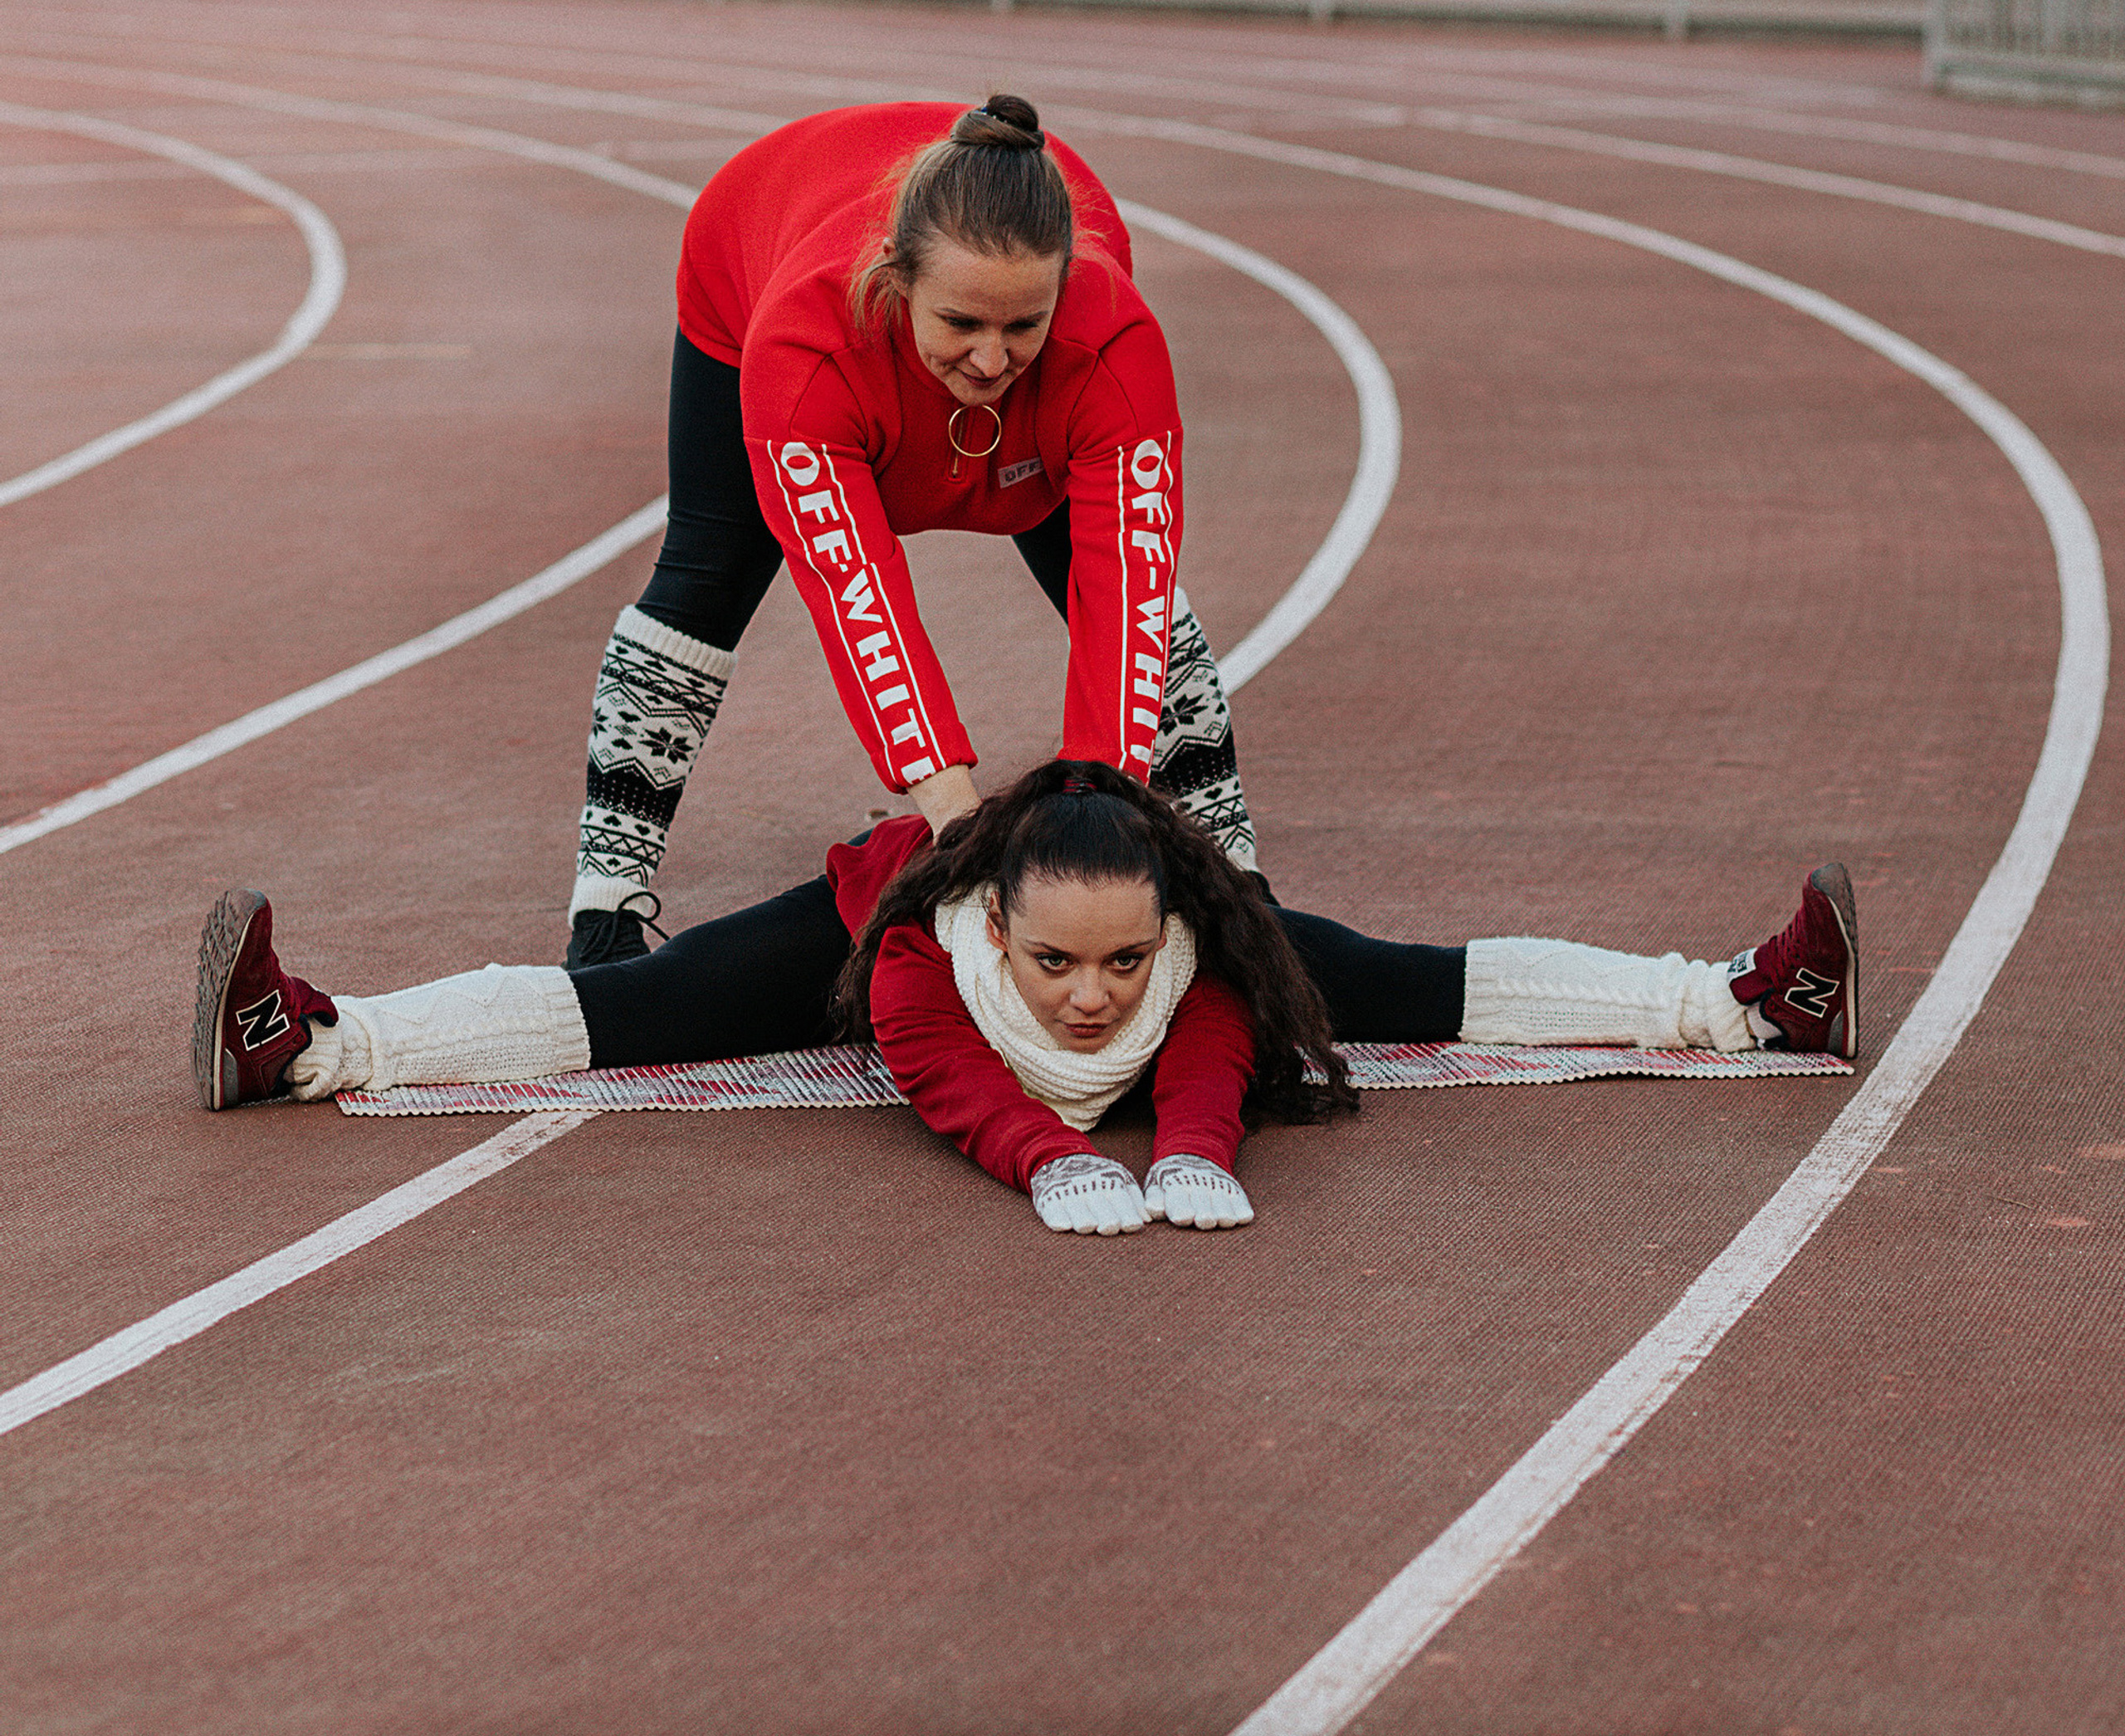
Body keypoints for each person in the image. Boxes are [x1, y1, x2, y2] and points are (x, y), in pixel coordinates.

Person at [193, 765, 1860, 1238]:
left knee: (1409, 980)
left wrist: (1196, 1142)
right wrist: (1042, 1154)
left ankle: (1741, 1000)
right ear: (999, 923)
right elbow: (929, 1067)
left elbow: (1208, 1042)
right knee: (642, 1002)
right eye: (1053, 962)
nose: (1086, 998)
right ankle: (311, 1039)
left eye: (1119, 965)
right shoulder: (924, 947)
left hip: (1190, 888)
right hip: (862, 918)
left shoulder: (1196, 941)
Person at [564, 94, 1262, 971]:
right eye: (960, 323)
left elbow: (1128, 596)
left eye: (1023, 325)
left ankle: (1241, 879)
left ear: (1064, 290)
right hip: (763, 253)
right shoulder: (806, 345)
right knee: (708, 569)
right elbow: (860, 601)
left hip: (1033, 419)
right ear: (897, 281)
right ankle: (603, 902)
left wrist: (1097, 817)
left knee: (1138, 603)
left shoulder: (1109, 336)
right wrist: (963, 831)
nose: (990, 359)